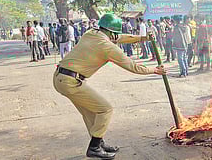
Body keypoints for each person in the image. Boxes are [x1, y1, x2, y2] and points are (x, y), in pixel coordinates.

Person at [53, 13, 166, 159]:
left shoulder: (92, 33)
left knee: (90, 112)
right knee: (105, 109)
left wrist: (143, 38)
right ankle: (94, 147)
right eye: (115, 33)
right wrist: (155, 70)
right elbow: (133, 66)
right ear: (111, 32)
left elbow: (121, 37)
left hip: (61, 78)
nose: (117, 37)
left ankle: (99, 143)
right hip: (71, 82)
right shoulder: (107, 46)